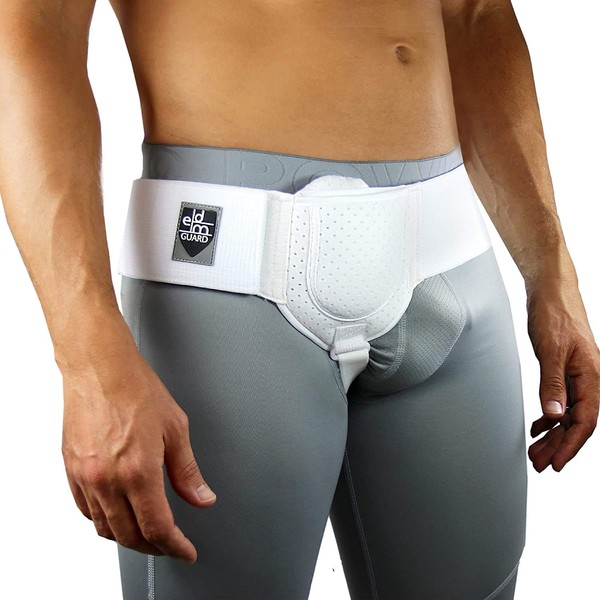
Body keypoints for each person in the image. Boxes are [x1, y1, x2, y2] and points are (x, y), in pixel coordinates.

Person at [0, 1, 598, 599]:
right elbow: (34, 29)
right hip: (228, 279)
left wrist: (553, 275)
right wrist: (89, 364)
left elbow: (476, 16)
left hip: (449, 262)